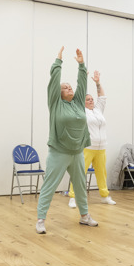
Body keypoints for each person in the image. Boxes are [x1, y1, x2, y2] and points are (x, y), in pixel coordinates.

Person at [36, 47, 98, 234]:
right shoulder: (55, 103)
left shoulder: (78, 102)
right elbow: (54, 82)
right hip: (59, 152)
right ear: (59, 93)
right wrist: (58, 62)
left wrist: (81, 64)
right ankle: (40, 219)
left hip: (77, 152)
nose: (69, 88)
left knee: (80, 185)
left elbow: (82, 83)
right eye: (65, 87)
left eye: (69, 86)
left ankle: (84, 216)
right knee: (50, 185)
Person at [68, 70, 116, 208]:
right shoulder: (81, 111)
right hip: (88, 147)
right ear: (82, 102)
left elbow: (102, 97)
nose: (91, 101)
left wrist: (98, 83)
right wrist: (82, 77)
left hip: (101, 148)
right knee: (79, 173)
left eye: (91, 99)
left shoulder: (98, 110)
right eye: (88, 99)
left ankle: (104, 196)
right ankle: (72, 197)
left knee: (102, 174)